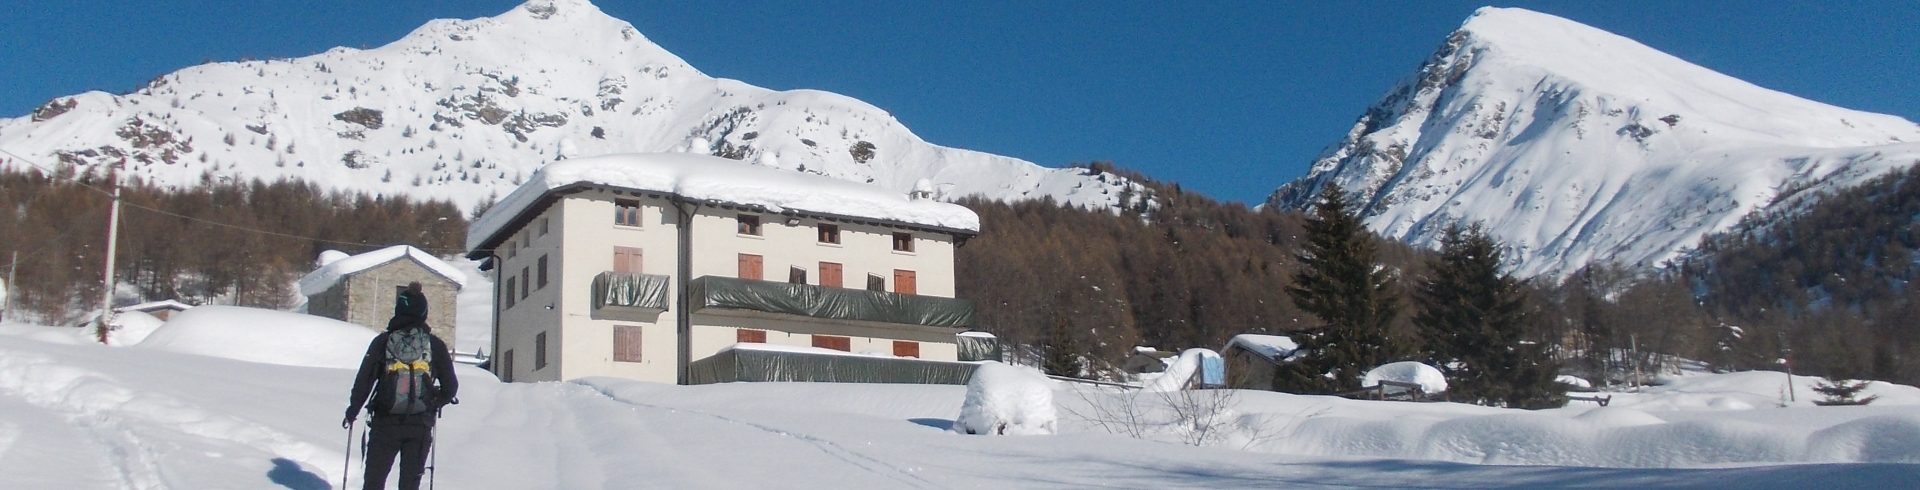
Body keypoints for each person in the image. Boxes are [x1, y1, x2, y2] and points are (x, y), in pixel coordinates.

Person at [344, 282, 458, 490]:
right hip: (420, 425)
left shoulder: (382, 342)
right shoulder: (434, 344)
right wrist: (433, 403)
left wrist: (353, 410)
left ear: (398, 309)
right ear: (424, 312)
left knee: (374, 482)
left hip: (384, 423)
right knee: (409, 484)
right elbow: (451, 387)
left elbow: (364, 380)